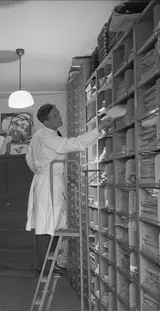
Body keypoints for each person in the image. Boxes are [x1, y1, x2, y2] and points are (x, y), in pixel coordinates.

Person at [25, 104, 114, 274]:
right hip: (48, 182)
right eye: (55, 115)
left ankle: (49, 264)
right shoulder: (47, 137)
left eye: (58, 113)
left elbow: (28, 157)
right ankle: (45, 267)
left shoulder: (39, 135)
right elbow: (74, 144)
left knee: (49, 223)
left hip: (46, 180)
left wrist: (39, 169)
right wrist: (99, 128)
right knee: (47, 225)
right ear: (46, 121)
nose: (60, 117)